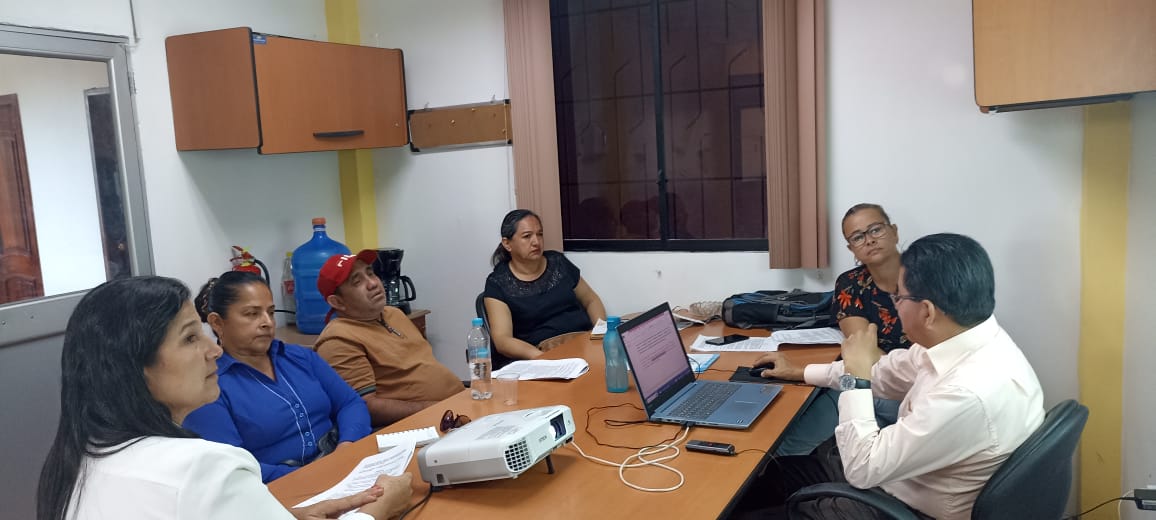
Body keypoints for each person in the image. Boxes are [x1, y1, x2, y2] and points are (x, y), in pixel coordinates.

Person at [36, 276, 412, 520]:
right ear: (135, 366)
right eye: (190, 338)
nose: (212, 351)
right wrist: (376, 511)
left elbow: (350, 403)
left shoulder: (82, 461)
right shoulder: (205, 467)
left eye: (270, 312)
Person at [734, 233, 1045, 519]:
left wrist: (855, 378)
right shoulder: (966, 339)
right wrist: (801, 371)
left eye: (899, 297)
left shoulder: (965, 392)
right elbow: (886, 372)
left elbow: (861, 469)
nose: (895, 305)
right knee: (758, 482)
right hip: (895, 474)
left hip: (896, 504)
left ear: (927, 312)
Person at [182, 271, 372, 483]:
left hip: (344, 464)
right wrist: (314, 476)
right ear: (217, 323)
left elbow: (350, 403)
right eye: (252, 314)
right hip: (279, 487)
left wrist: (346, 447)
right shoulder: (208, 387)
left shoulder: (300, 357)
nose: (267, 322)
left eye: (270, 312)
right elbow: (232, 466)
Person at [756, 203, 910, 456]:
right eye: (858, 237)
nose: (869, 240)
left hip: (916, 390)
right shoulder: (851, 284)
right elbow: (864, 352)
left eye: (876, 230)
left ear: (893, 231)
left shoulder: (925, 277)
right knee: (799, 416)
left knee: (835, 396)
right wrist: (798, 372)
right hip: (874, 378)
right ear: (851, 248)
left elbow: (866, 361)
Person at [314, 250, 463, 428]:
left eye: (371, 273)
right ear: (337, 302)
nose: (373, 283)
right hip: (426, 425)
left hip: (457, 406)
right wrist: (437, 409)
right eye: (357, 281)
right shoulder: (338, 339)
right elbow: (364, 407)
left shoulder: (393, 314)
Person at [483, 209, 607, 369]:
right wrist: (542, 359)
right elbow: (503, 340)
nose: (536, 242)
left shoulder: (558, 263)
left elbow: (590, 299)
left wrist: (601, 333)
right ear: (507, 244)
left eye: (539, 234)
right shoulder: (497, 283)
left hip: (582, 343)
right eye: (527, 236)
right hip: (541, 356)